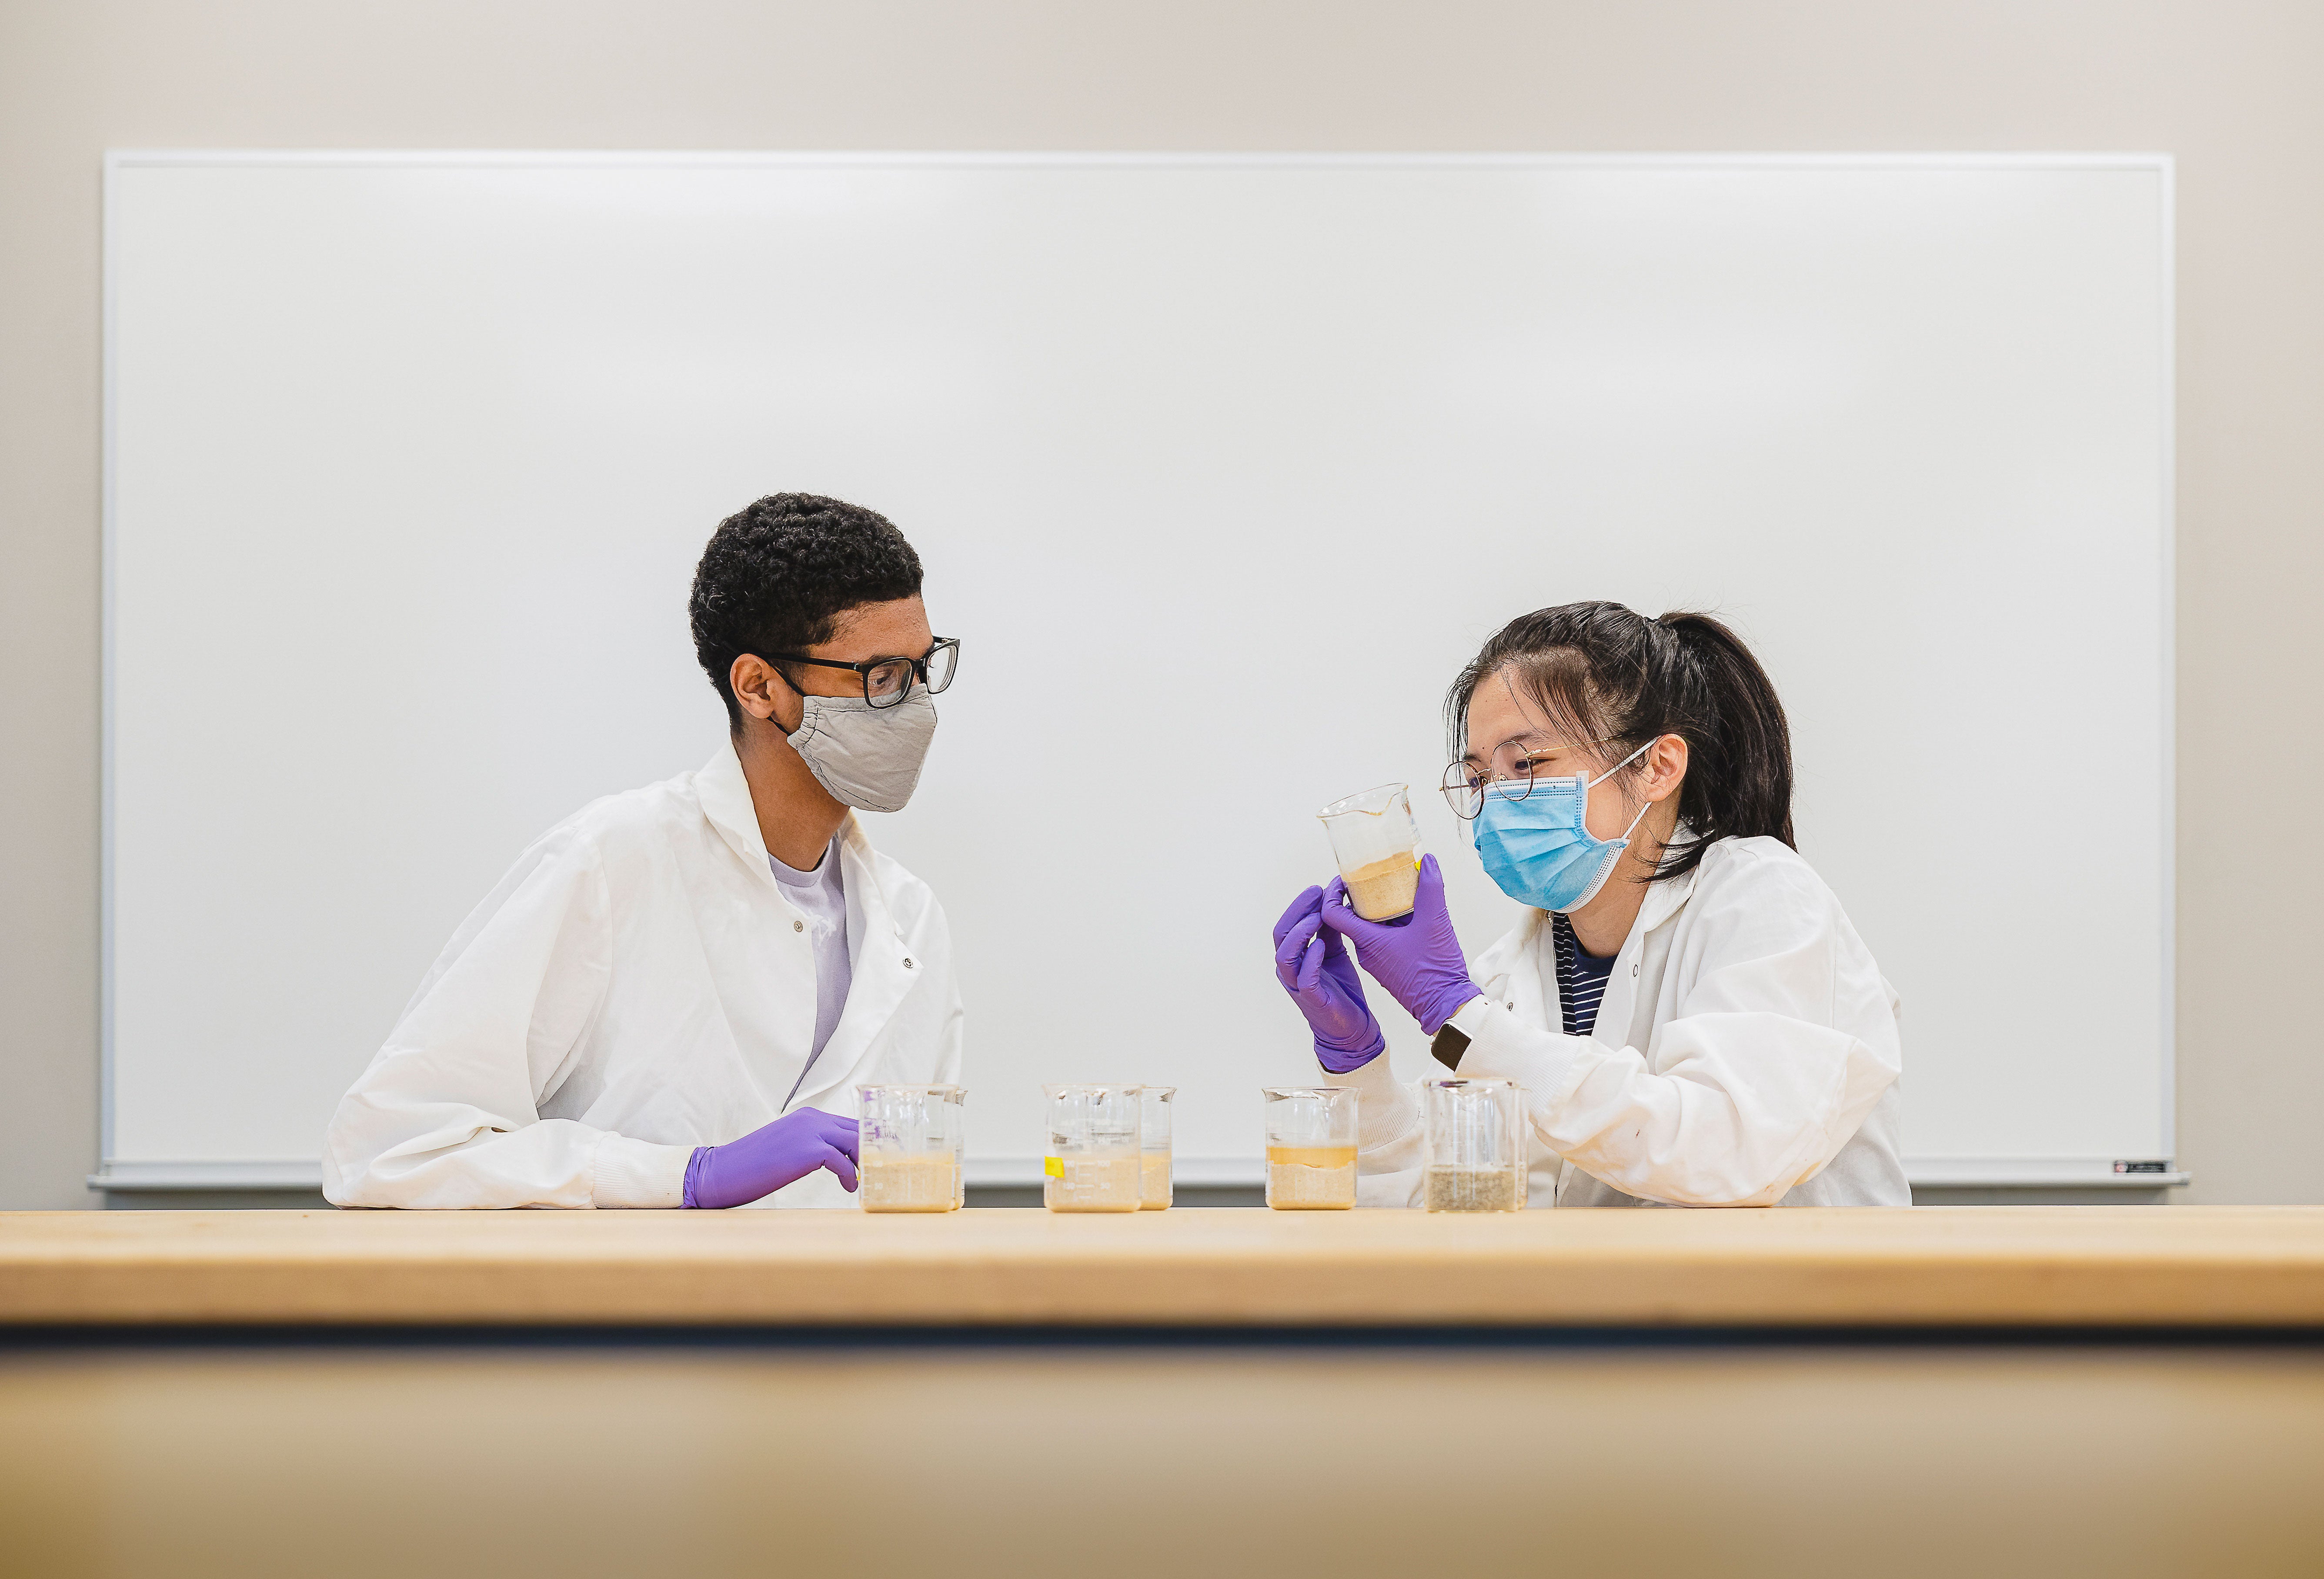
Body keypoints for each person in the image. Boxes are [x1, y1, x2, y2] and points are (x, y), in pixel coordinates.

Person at [324, 493, 964, 1209]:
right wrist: (684, 1177)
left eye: (923, 668)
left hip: (850, 1318)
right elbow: (390, 1149)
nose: (917, 709)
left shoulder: (911, 921)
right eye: (881, 678)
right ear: (759, 687)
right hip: (638, 1316)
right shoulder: (612, 862)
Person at [1270, 602, 1906, 1208]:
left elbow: (1726, 1154)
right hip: (1632, 1312)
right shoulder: (1514, 972)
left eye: (1526, 762)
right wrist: (1358, 1065)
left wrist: (1459, 1012)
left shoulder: (1764, 901)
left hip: (1802, 1312)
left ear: (1657, 767)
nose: (1496, 801)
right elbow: (1460, 1195)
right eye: (1480, 778)